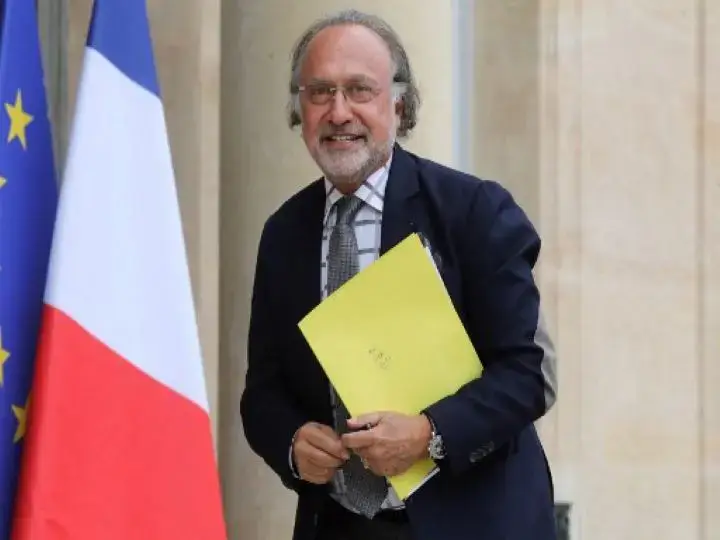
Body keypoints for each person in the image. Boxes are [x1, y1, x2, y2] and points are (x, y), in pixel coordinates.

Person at [240, 9, 558, 540]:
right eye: (320, 92)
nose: (339, 112)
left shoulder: (474, 211)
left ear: (399, 103)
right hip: (341, 525)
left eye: (359, 90)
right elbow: (262, 394)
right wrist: (292, 443)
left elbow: (527, 374)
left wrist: (430, 433)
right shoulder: (283, 233)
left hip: (473, 522)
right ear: (299, 109)